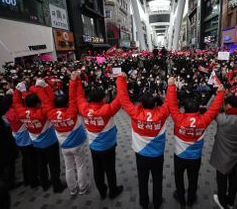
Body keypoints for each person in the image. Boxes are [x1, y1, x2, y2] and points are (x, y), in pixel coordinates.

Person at [166, 77, 225, 206]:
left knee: (178, 178)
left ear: (184, 110)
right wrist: (220, 93)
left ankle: (181, 198)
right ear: (198, 110)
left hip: (179, 156)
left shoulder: (178, 118)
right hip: (195, 157)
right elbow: (213, 109)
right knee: (193, 179)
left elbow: (172, 105)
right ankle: (191, 199)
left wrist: (171, 86)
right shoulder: (203, 120)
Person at [116, 73, 170, 209]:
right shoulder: (162, 114)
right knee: (158, 180)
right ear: (155, 104)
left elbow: (123, 99)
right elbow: (170, 103)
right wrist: (172, 85)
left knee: (142, 180)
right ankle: (157, 202)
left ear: (141, 103)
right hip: (157, 155)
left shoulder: (135, 113)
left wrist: (121, 80)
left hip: (141, 155)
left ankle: (143, 202)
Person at [34, 73, 89, 196]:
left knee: (68, 167)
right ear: (67, 103)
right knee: (80, 166)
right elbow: (73, 97)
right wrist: (75, 81)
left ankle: (73, 189)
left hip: (64, 145)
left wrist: (39, 88)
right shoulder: (71, 110)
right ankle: (83, 187)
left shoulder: (50, 112)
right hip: (78, 143)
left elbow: (46, 101)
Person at [75, 72, 123, 200]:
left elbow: (79, 97)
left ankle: (102, 192)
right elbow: (121, 98)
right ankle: (113, 191)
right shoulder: (107, 109)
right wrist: (121, 80)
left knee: (97, 170)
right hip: (108, 146)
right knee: (110, 170)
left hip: (93, 146)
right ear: (103, 99)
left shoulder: (84, 108)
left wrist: (76, 81)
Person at [12, 81, 65, 193]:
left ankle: (44, 184)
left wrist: (18, 90)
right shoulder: (42, 112)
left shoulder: (21, 112)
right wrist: (41, 87)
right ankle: (57, 186)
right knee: (54, 165)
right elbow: (49, 101)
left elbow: (16, 103)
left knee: (41, 164)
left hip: (36, 143)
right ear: (37, 104)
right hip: (50, 143)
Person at [5, 103, 39, 188]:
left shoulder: (7, 113)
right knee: (32, 161)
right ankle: (34, 181)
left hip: (19, 141)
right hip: (27, 141)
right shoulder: (18, 113)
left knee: (25, 160)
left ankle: (26, 180)